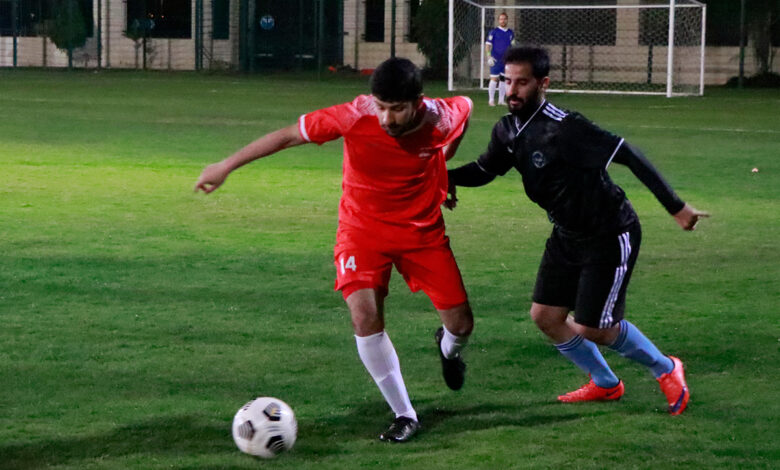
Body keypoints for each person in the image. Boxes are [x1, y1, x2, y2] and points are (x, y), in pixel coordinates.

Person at [195, 57, 474, 442]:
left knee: (461, 325)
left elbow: (467, 109)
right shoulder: (353, 116)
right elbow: (289, 135)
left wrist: (442, 166)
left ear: (418, 102)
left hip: (421, 234)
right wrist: (226, 165)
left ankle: (448, 351)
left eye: (397, 109)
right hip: (361, 231)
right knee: (364, 316)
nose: (387, 119)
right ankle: (404, 414)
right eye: (381, 107)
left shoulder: (443, 116)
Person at [446, 47, 709, 415]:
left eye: (522, 83)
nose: (512, 91)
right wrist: (444, 177)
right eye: (508, 81)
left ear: (543, 83)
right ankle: (605, 384)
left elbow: (628, 154)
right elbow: (485, 170)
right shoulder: (508, 129)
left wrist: (676, 208)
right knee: (546, 317)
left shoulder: (566, 128)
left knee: (596, 328)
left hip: (609, 232)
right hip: (567, 235)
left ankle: (667, 368)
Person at [485, 12, 514, 107]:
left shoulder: (510, 33)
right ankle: (491, 100)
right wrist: (489, 56)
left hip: (506, 60)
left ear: (507, 20)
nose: (503, 20)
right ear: (498, 20)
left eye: (504, 19)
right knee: (494, 79)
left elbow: (512, 46)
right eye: (501, 19)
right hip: (495, 59)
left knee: (503, 79)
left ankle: (501, 100)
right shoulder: (493, 32)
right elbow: (488, 45)